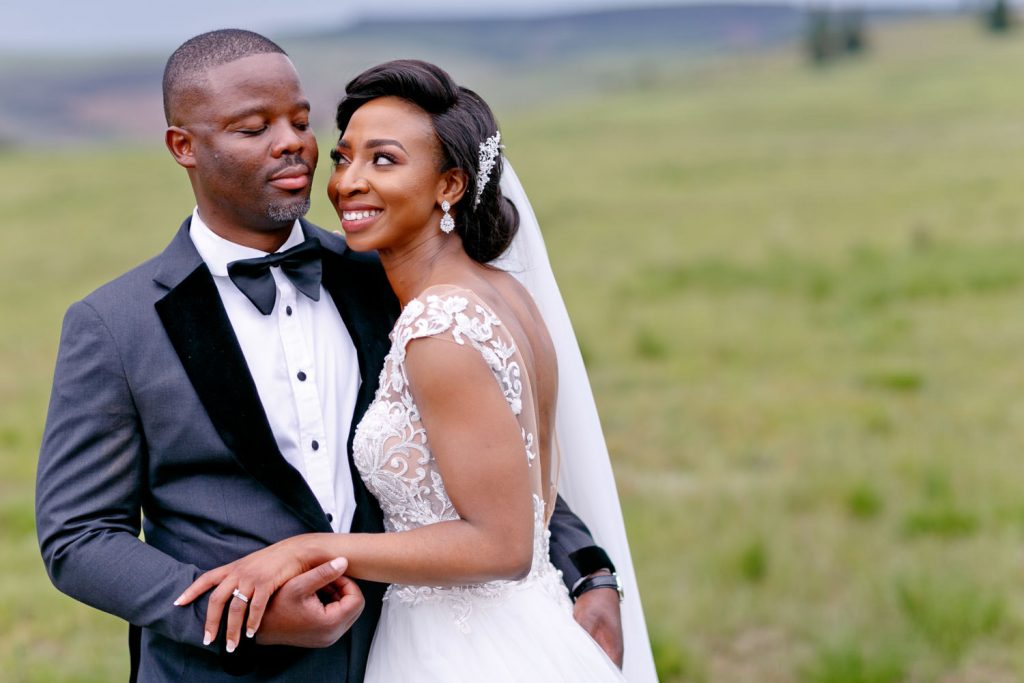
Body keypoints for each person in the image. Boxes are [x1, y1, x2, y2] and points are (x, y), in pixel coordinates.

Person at [35, 31, 623, 682]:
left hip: (399, 655)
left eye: (300, 120)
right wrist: (237, 609)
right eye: (254, 127)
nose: (292, 142)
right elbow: (78, 536)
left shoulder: (384, 278)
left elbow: (484, 447)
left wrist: (587, 565)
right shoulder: (115, 326)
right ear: (184, 147)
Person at [174, 59, 655, 681]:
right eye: (344, 157)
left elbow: (502, 543)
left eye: (384, 160)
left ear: (449, 186)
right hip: (520, 623)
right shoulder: (500, 291)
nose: (347, 183)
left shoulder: (440, 327)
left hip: (463, 648)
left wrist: (308, 550)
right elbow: (512, 467)